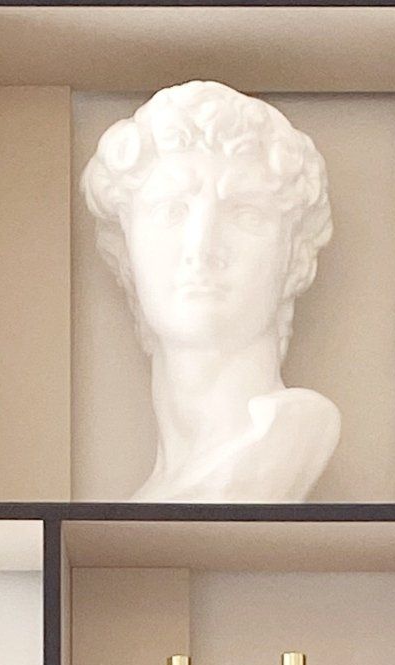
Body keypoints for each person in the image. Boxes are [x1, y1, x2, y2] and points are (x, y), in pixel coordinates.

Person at [82, 81, 339, 505]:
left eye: (246, 214)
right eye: (171, 211)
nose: (201, 248)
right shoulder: (153, 495)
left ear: (294, 257)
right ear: (126, 254)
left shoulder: (288, 435)